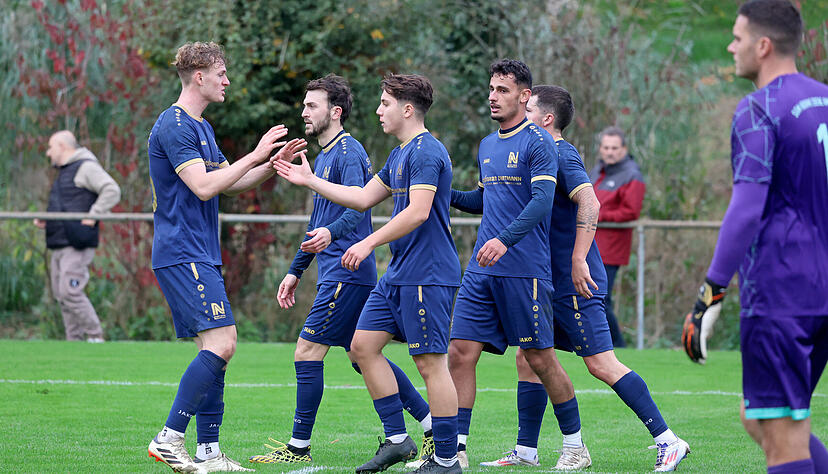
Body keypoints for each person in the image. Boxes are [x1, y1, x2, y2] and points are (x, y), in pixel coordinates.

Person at [482, 84, 686, 471]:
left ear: (546, 119)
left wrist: (579, 260)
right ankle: (526, 450)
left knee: (602, 364)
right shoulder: (534, 154)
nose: (520, 112)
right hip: (548, 281)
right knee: (528, 358)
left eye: (529, 109)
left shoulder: (560, 151)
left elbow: (590, 200)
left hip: (575, 280)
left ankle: (668, 440)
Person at [274, 73, 462, 473]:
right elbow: (361, 198)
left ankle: (447, 459)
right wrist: (310, 179)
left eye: (385, 104)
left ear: (407, 109)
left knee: (431, 364)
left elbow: (418, 211)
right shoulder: (398, 155)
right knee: (362, 348)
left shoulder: (427, 151)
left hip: (427, 274)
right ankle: (397, 440)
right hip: (397, 275)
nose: (378, 111)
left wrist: (367, 242)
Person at [145, 41, 306, 473]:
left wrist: (271, 164)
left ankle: (208, 452)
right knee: (223, 342)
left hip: (199, 252)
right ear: (199, 76)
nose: (227, 81)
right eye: (221, 73)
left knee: (216, 347)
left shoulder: (201, 127)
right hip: (182, 252)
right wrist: (254, 153)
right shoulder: (174, 125)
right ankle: (169, 438)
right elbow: (202, 186)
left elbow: (229, 181)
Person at [682, 1, 828, 473]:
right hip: (820, 290)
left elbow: (747, 208)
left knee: (782, 439)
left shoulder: (759, 108)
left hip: (784, 293)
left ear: (762, 46)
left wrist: (712, 290)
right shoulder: (824, 100)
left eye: (737, 37)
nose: (730, 46)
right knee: (764, 419)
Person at [446, 59, 573, 470]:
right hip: (483, 267)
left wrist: (504, 239)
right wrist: (440, 192)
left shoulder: (540, 143)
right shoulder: (487, 144)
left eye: (501, 89)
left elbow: (540, 203)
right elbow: (483, 201)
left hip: (524, 268)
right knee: (460, 351)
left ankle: (574, 445)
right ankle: (456, 449)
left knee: (539, 358)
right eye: (490, 88)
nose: (492, 96)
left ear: (524, 96)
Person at [33, 130, 121, 343]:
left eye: (50, 147)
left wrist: (94, 215)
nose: (48, 153)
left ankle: (95, 336)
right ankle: (74, 342)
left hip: (77, 242)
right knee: (61, 295)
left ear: (63, 146)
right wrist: (48, 220)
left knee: (69, 291)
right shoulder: (65, 171)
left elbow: (112, 190)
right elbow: (67, 205)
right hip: (59, 242)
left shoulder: (86, 167)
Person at [588, 126, 646, 348]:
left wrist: (596, 214)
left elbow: (631, 212)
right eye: (606, 147)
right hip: (589, 245)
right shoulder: (598, 171)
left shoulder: (632, 174)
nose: (609, 152)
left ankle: (617, 345)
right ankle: (596, 343)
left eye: (614, 148)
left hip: (611, 249)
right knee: (591, 298)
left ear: (624, 149)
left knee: (601, 299)